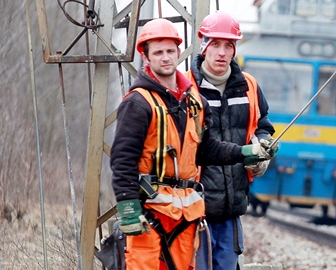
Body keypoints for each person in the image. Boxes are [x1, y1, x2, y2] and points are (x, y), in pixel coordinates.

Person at [110, 18, 278, 270]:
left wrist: (248, 151)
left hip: (185, 215)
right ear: (146, 57)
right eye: (158, 52)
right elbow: (122, 160)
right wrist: (128, 207)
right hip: (151, 215)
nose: (165, 58)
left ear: (179, 53)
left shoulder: (191, 100)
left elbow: (207, 149)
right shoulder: (138, 103)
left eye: (169, 51)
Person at [188, 11, 275, 270]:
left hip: (230, 210)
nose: (222, 52)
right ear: (203, 45)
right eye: (215, 44)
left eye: (228, 45)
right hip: (192, 210)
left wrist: (262, 151)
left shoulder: (249, 86)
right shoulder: (185, 87)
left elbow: (263, 125)